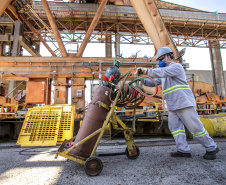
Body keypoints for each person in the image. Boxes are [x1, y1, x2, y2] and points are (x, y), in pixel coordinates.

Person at [136, 46, 219, 160]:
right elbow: (154, 82)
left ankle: (211, 148)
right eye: (159, 60)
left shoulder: (176, 67)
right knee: (175, 128)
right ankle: (183, 150)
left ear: (169, 56)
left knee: (195, 128)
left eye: (162, 59)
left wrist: (147, 71)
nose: (160, 62)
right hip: (173, 105)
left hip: (184, 103)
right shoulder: (165, 73)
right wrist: (141, 78)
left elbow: (162, 72)